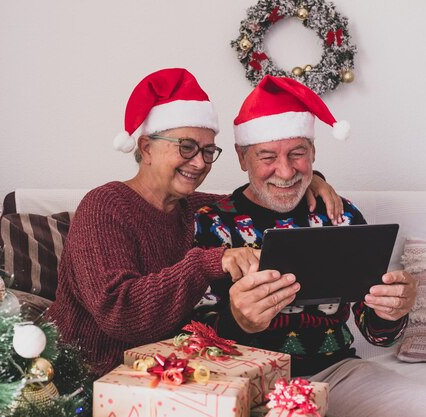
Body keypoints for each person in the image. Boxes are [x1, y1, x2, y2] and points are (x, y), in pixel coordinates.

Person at [44, 68, 342, 376]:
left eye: (208, 150)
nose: (199, 162)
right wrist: (208, 262)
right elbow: (120, 313)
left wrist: (310, 182)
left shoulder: (198, 208)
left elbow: (259, 194)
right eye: (186, 147)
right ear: (146, 148)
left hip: (170, 378)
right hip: (85, 375)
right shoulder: (104, 206)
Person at [195, 74, 422, 417]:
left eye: (297, 153)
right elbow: (192, 337)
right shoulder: (211, 221)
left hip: (339, 374)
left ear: (314, 153)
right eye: (267, 156)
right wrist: (236, 321)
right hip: (246, 380)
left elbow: (378, 336)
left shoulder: (340, 214)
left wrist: (392, 312)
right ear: (243, 158)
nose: (285, 172)